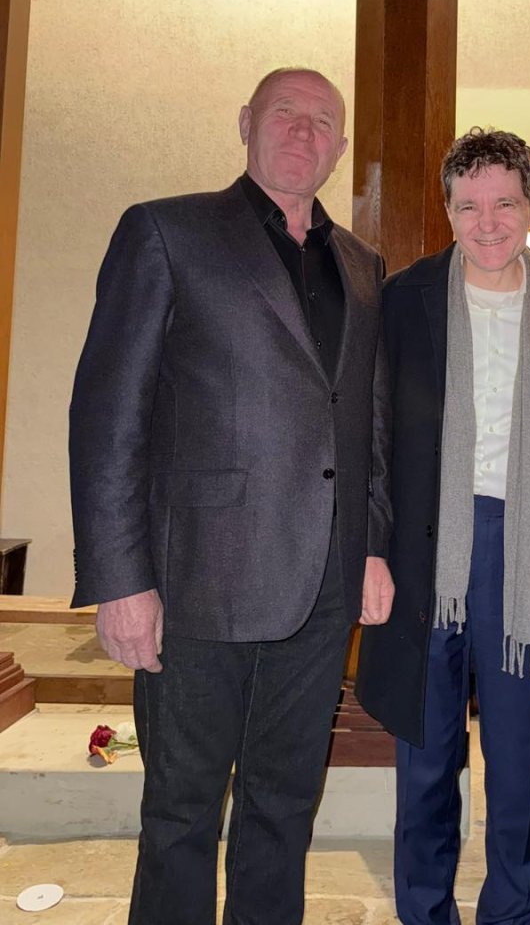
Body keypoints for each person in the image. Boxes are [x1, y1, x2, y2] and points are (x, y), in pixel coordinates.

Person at [69, 68, 394, 925]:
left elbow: (368, 424)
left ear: (340, 147)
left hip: (321, 589)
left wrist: (371, 543)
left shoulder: (363, 266)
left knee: (284, 805)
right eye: (285, 113)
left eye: (322, 121)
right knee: (181, 812)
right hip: (196, 583)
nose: (303, 131)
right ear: (246, 122)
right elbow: (108, 415)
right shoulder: (167, 232)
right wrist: (120, 581)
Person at [356, 127, 530, 925]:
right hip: (427, 554)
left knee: (520, 765)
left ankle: (512, 911)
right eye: (469, 207)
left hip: (526, 556)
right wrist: (370, 550)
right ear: (448, 210)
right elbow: (370, 437)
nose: (488, 224)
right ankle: (424, 911)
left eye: (505, 204)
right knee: (426, 761)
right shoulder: (404, 299)